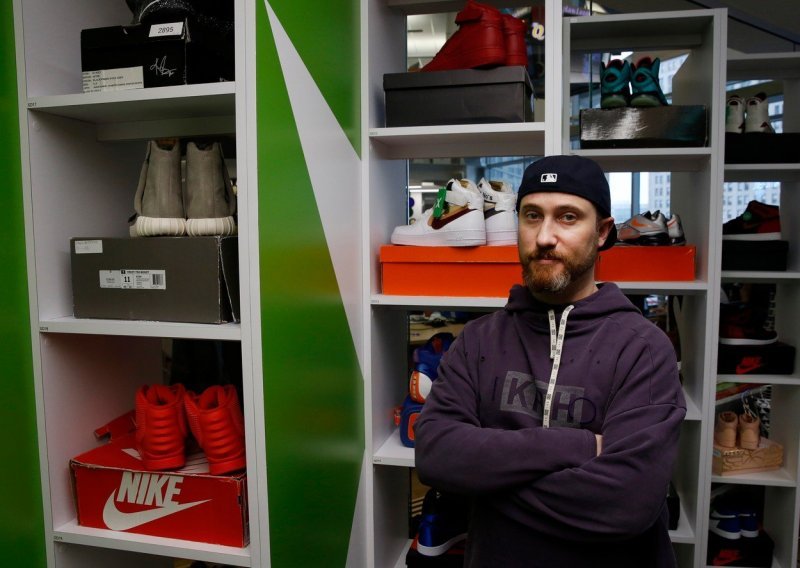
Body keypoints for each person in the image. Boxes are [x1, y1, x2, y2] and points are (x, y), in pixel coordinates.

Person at [415, 155, 686, 567]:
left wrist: (486, 477)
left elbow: (627, 502)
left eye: (567, 217)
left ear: (602, 232)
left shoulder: (643, 349)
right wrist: (580, 446)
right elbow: (436, 455)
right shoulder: (478, 339)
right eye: (532, 216)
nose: (544, 236)